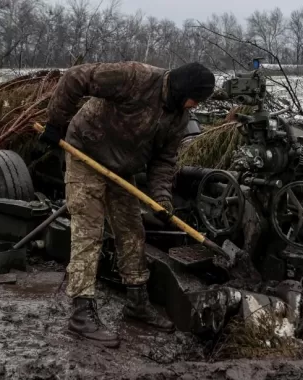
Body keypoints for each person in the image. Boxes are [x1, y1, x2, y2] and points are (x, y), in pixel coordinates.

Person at [41, 61, 215, 348]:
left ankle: (137, 302)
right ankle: (81, 314)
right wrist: (56, 123)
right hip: (85, 153)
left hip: (121, 170)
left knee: (132, 232)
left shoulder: (179, 117)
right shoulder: (135, 77)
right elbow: (76, 77)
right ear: (182, 88)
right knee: (88, 233)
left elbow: (164, 160)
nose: (193, 105)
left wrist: (161, 197)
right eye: (193, 98)